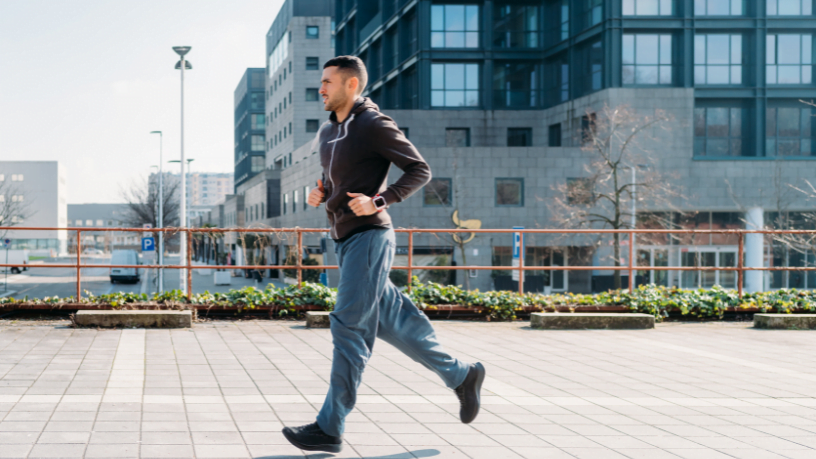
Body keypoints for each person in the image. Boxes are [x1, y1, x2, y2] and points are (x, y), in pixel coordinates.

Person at [281, 56, 485, 454]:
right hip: (345, 240)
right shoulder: (327, 133)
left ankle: (330, 426)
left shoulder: (374, 124)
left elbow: (419, 170)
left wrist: (379, 200)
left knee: (348, 326)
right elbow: (336, 179)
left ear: (352, 85)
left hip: (371, 237)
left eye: (327, 82)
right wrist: (321, 193)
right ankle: (462, 376)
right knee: (396, 324)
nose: (320, 89)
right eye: (321, 83)